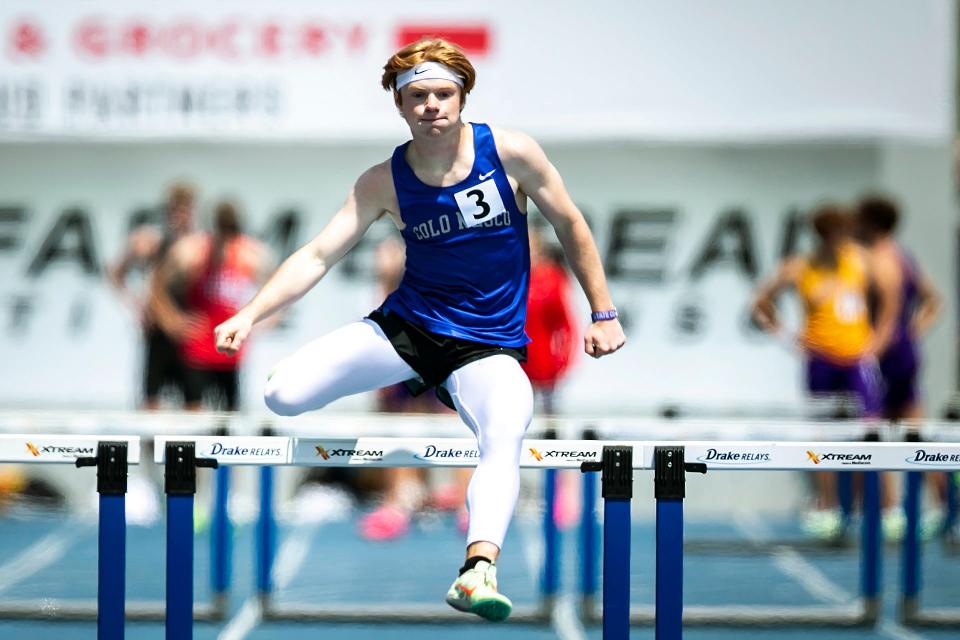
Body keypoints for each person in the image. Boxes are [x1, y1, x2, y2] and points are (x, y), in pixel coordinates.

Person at [212, 38, 625, 622]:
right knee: (281, 396)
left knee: (508, 427)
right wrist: (249, 313)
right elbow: (317, 255)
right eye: (418, 96)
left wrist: (603, 312)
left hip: (485, 345)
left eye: (443, 93)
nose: (432, 105)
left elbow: (572, 226)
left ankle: (478, 568)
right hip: (405, 330)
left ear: (463, 96)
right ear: (400, 106)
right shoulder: (383, 181)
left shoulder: (511, 153)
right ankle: (312, 368)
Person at [751, 203, 896, 539]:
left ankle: (884, 508)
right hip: (820, 360)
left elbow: (891, 299)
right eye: (832, 236)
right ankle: (828, 506)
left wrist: (878, 341)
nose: (838, 242)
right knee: (823, 434)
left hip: (857, 359)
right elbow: (761, 301)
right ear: (820, 237)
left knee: (872, 431)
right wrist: (787, 336)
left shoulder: (861, 260)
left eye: (842, 234)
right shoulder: (801, 267)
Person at [358, 236, 472, 541]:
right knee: (397, 425)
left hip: (437, 349)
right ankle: (399, 499)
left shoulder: (434, 258)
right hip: (400, 354)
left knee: (453, 424)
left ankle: (465, 502)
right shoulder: (385, 287)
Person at [857, 194, 945, 536]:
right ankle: (944, 503)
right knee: (914, 436)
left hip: (887, 356)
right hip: (903, 351)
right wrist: (914, 333)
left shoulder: (882, 259)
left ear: (869, 223)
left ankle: (890, 513)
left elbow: (890, 316)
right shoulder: (904, 256)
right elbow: (933, 301)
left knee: (876, 434)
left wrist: (869, 353)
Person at [150, 201, 273, 411]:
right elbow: (157, 286)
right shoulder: (192, 251)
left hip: (230, 348)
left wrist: (262, 322)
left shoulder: (250, 253)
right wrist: (172, 321)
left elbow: (276, 287)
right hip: (197, 345)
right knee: (194, 409)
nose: (226, 241)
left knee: (229, 414)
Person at [108, 182, 197, 409]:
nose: (180, 216)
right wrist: (136, 305)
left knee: (194, 400)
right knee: (151, 400)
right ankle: (149, 444)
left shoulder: (198, 243)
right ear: (168, 212)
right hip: (158, 330)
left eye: (185, 211)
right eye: (176, 211)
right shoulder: (153, 240)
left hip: (189, 328)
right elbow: (116, 272)